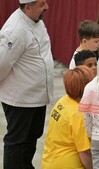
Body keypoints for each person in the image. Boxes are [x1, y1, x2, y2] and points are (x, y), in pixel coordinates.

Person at [0, 0, 53, 169]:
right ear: (27, 7)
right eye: (41, 4)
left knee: (32, 136)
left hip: (37, 96)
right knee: (16, 142)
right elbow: (1, 64)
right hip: (20, 99)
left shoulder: (36, 19)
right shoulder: (14, 30)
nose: (46, 7)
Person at [42, 66, 94, 169]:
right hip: (69, 164)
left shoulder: (63, 101)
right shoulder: (79, 115)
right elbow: (84, 152)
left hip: (49, 161)